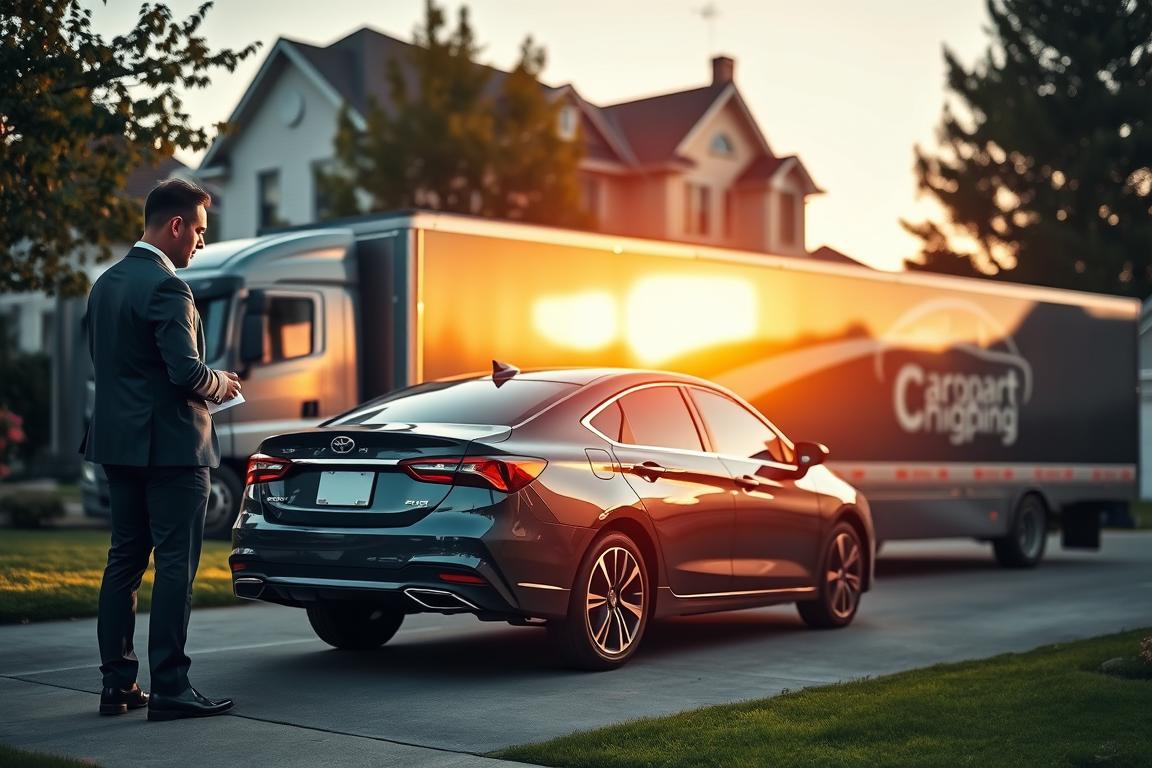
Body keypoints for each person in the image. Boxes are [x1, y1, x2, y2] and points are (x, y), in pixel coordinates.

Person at [82, 178, 241, 721]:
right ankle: (171, 687)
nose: (199, 242)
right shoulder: (169, 288)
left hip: (118, 446)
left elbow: (112, 367)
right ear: (175, 226)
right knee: (176, 566)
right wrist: (225, 383)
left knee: (123, 562)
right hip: (173, 450)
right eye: (197, 231)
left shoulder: (104, 283)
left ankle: (117, 685)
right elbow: (186, 372)